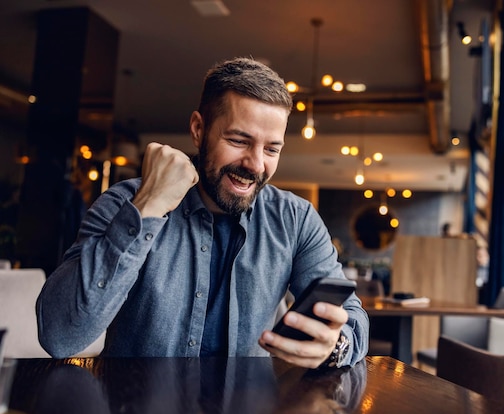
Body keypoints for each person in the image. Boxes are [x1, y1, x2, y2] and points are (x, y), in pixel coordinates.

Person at [36, 57, 369, 369]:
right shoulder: (126, 201)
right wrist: (148, 207)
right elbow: (60, 336)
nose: (255, 164)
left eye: (271, 149)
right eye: (239, 140)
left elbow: (352, 315)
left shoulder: (296, 220)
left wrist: (335, 346)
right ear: (198, 129)